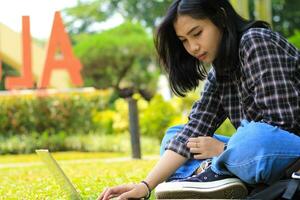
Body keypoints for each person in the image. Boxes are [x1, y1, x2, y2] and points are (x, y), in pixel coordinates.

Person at [98, 0, 300, 199]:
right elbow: (194, 129)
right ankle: (219, 178)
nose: (193, 47)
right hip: (254, 155)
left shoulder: (256, 41)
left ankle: (216, 173)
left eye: (197, 33)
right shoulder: (219, 71)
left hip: (285, 147)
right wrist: (145, 186)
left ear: (220, 17)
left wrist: (223, 150)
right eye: (184, 40)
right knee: (175, 137)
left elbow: (283, 127)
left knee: (253, 137)